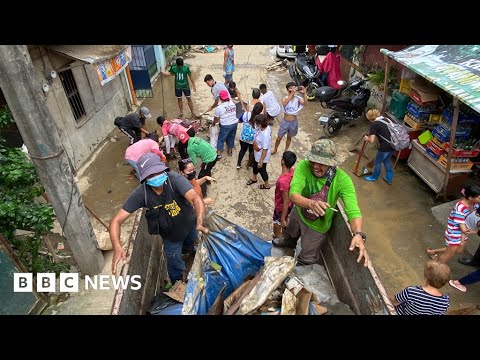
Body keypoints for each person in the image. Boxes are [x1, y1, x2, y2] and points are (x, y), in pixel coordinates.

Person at [109, 153, 207, 284]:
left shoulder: (175, 180)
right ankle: (179, 284)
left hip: (190, 226)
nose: (155, 176)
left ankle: (191, 253)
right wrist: (117, 246)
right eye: (150, 175)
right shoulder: (141, 194)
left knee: (192, 244)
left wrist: (200, 220)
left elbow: (195, 198)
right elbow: (116, 221)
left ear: (163, 169)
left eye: (157, 172)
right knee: (175, 266)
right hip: (171, 238)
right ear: (145, 178)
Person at [273, 139, 369, 267]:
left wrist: (358, 234)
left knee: (307, 255)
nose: (315, 166)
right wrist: (311, 204)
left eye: (321, 163)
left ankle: (300, 267)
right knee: (290, 233)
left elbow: (353, 211)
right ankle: (289, 242)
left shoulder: (343, 180)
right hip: (299, 213)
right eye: (313, 161)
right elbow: (293, 194)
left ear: (331, 163)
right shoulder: (304, 166)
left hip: (317, 227)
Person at [427, 186, 480, 264]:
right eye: (479, 198)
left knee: (458, 250)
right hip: (454, 232)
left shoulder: (475, 204)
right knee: (448, 255)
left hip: (463, 230)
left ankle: (433, 252)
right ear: (470, 197)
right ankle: (436, 267)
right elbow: (464, 229)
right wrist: (475, 231)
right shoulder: (460, 208)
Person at [271, 82, 306, 155]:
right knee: (279, 138)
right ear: (288, 90)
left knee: (289, 138)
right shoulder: (284, 98)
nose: (293, 89)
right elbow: (284, 103)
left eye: (294, 87)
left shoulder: (298, 99)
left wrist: (304, 94)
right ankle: (275, 149)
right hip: (285, 122)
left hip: (294, 122)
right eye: (291, 88)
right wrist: (292, 93)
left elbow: (305, 103)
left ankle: (286, 150)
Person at [364, 113, 395, 184]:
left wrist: (367, 138)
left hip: (385, 147)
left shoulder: (374, 124)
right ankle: (389, 178)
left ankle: (374, 177)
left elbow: (371, 140)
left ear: (370, 119)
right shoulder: (386, 119)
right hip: (394, 144)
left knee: (377, 162)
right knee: (386, 160)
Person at [273, 151, 297, 240]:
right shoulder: (292, 172)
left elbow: (285, 201)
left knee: (277, 223)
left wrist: (282, 218)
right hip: (290, 205)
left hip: (281, 207)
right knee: (285, 220)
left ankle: (278, 238)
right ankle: (284, 234)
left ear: (283, 161)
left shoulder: (282, 181)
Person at [247, 114, 272, 190]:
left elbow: (265, 149)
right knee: (255, 165)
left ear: (261, 124)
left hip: (261, 156)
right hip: (256, 154)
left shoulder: (265, 136)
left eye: (257, 124)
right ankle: (254, 178)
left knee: (262, 170)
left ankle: (267, 184)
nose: (256, 125)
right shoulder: (266, 128)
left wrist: (261, 161)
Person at [237, 102, 264, 169]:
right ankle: (249, 164)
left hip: (243, 137)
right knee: (251, 152)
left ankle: (238, 164)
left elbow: (239, 121)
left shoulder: (246, 114)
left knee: (242, 150)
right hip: (252, 140)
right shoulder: (260, 119)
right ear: (260, 111)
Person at [213, 89, 238, 159]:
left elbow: (216, 119)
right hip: (234, 124)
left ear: (220, 98)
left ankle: (219, 154)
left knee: (221, 139)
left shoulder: (219, 108)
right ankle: (230, 151)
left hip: (225, 126)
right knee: (231, 137)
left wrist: (213, 123)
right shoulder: (233, 104)